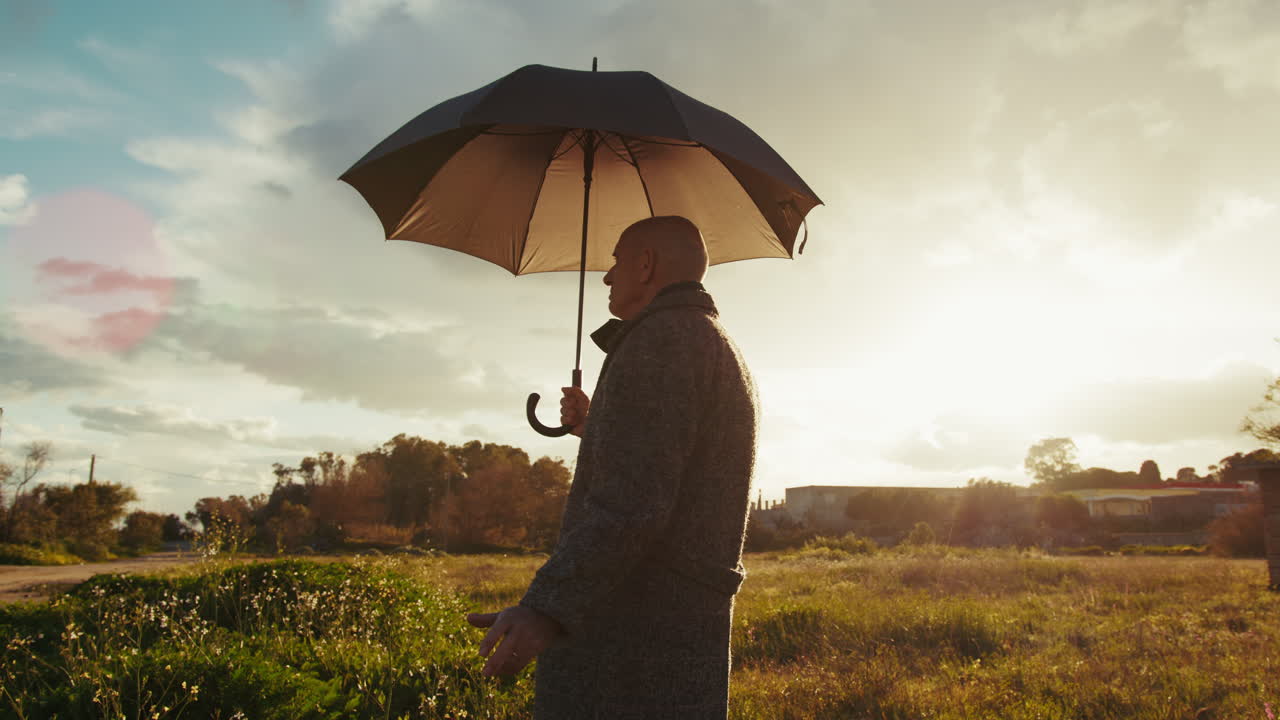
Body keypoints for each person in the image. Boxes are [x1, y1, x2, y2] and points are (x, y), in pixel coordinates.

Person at [466, 215, 760, 718]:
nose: (606, 276)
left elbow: (634, 503)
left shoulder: (660, 342)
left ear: (645, 265)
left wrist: (546, 608)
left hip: (633, 647)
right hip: (676, 643)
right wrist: (598, 426)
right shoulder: (705, 337)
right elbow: (667, 459)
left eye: (617, 261)